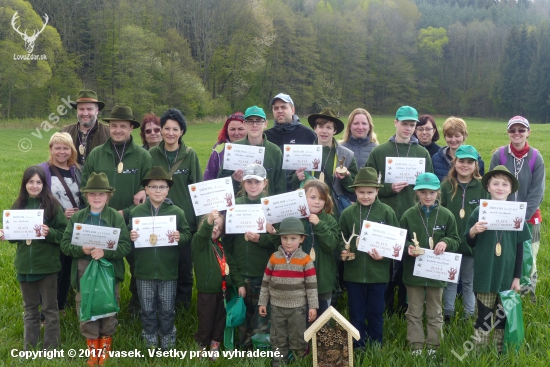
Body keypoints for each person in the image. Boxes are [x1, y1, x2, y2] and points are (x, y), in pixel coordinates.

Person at [81, 105, 153, 314]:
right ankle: (104, 303)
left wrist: (127, 211)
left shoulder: (143, 156)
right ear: (109, 127)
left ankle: (137, 306)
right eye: (114, 126)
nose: (118, 130)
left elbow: (149, 189)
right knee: (103, 263)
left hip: (133, 223)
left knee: (138, 266)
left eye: (123, 126)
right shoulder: (96, 154)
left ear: (131, 128)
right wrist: (101, 214)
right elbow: (85, 187)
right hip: (102, 223)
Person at [366, 105, 433, 315]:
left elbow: (430, 186)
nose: (408, 128)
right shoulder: (379, 151)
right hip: (387, 215)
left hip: (414, 217)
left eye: (412, 125)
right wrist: (387, 188)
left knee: (408, 264)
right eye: (404, 123)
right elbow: (366, 184)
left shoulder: (421, 153)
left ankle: (405, 309)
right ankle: (384, 308)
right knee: (386, 264)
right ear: (395, 122)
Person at [60, 172, 131, 366]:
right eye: (92, 194)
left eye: (101, 194)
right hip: (84, 269)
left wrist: (105, 253)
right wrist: (80, 249)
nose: (97, 198)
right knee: (86, 305)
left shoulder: (115, 217)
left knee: (108, 305)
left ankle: (105, 344)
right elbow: (65, 244)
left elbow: (125, 246)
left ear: (108, 196)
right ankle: (92, 347)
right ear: (86, 196)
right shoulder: (78, 218)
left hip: (108, 271)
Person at [0, 166, 66, 350]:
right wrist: (6, 234)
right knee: (30, 309)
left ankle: (51, 347)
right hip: (24, 266)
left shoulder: (53, 206)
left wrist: (49, 232)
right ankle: (29, 347)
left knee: (50, 310)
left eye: (39, 182)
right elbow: (14, 237)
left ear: (44, 184)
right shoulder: (17, 206)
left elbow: (63, 234)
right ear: (25, 184)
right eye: (31, 182)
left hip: (47, 267)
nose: (34, 185)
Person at [466, 166, 530, 352]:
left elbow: (520, 249)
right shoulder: (479, 211)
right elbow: (470, 242)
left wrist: (517, 278)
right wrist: (473, 231)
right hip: (485, 275)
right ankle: (479, 350)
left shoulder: (517, 214)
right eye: (495, 183)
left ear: (511, 189)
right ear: (488, 187)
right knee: (483, 316)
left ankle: (500, 350)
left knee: (502, 317)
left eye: (505, 184)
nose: (500, 187)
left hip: (507, 276)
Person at [128, 167, 192, 350]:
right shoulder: (137, 212)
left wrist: (180, 236)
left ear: (168, 189)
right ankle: (149, 339)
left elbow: (187, 234)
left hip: (168, 271)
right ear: (146, 189)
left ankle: (167, 340)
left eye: (162, 187)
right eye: (153, 186)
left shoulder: (177, 212)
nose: (157, 190)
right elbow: (127, 236)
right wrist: (130, 236)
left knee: (166, 308)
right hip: (144, 271)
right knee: (147, 308)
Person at [400, 173, 460, 356]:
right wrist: (409, 247)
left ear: (438, 193)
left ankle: (434, 345)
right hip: (414, 273)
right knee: (414, 311)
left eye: (432, 192)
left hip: (437, 273)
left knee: (435, 311)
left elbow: (457, 240)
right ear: (416, 193)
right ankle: (416, 345)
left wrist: (446, 242)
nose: (428, 196)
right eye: (423, 192)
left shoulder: (446, 215)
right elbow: (400, 240)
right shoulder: (409, 215)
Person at [148, 108, 202, 311]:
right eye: (166, 128)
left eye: (175, 129)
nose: (170, 133)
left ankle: (183, 307)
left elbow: (197, 187)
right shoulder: (152, 154)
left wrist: (198, 221)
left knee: (185, 266)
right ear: (161, 130)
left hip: (184, 219)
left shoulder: (190, 155)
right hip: (157, 219)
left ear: (182, 132)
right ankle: (160, 304)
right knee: (160, 264)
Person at [339, 167, 399, 348]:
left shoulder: (387, 212)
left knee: (375, 312)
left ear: (377, 191)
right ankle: (358, 344)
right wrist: (343, 251)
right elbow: (340, 238)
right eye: (361, 192)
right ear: (355, 191)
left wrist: (384, 257)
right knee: (356, 312)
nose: (366, 196)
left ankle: (375, 344)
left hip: (378, 274)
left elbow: (396, 244)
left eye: (370, 192)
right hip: (354, 274)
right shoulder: (348, 213)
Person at [489, 116, 544, 302]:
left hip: (530, 219)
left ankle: (528, 296)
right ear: (508, 133)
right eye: (513, 130)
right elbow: (491, 185)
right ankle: (504, 291)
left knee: (530, 258)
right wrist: (501, 215)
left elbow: (537, 192)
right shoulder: (500, 155)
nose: (517, 133)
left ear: (528, 132)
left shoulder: (536, 157)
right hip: (502, 218)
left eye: (521, 130)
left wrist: (521, 218)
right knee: (505, 255)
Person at [223, 164, 276, 348]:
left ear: (265, 183)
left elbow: (278, 242)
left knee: (263, 313)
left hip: (263, 274)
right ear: (243, 183)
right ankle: (243, 347)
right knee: (242, 313)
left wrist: (261, 239)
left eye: (257, 182)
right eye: (249, 182)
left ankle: (262, 346)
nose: (253, 186)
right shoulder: (234, 206)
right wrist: (236, 278)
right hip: (241, 274)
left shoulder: (270, 207)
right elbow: (227, 246)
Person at [258, 217, 318, 367]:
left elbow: (311, 285)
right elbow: (265, 282)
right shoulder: (274, 258)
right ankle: (278, 362)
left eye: (293, 238)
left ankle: (299, 361)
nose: (288, 242)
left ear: (302, 239)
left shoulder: (305, 259)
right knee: (278, 337)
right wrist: (262, 302)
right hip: (277, 306)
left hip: (298, 308)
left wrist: (313, 306)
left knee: (298, 337)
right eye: (284, 238)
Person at [38, 132, 84, 316]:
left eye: (66, 148)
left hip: (73, 229)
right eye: (57, 148)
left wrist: (80, 211)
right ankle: (46, 310)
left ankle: (61, 305)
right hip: (54, 227)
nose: (62, 152)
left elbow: (84, 197)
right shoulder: (42, 171)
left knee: (67, 268)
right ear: (51, 149)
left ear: (71, 150)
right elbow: (38, 200)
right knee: (52, 270)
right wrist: (59, 214)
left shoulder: (77, 171)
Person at [440, 145, 487, 322]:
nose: (465, 165)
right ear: (455, 162)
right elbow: (440, 213)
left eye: (470, 162)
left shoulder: (483, 187)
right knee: (450, 281)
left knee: (468, 283)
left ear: (476, 165)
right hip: (450, 244)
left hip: (472, 244)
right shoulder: (446, 186)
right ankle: (448, 314)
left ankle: (468, 315)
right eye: (461, 161)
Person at [192, 210, 246, 359]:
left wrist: (240, 284)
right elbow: (203, 234)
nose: (216, 228)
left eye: (220, 228)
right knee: (206, 321)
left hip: (223, 292)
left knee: (219, 320)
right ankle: (201, 344)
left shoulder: (221, 247)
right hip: (207, 292)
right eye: (214, 224)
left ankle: (215, 343)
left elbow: (232, 266)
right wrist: (210, 220)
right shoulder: (200, 243)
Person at [293, 107, 358, 217]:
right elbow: (292, 183)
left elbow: (354, 187)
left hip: (333, 209)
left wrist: (346, 178)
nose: (324, 131)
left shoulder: (347, 155)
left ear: (335, 130)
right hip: (308, 209)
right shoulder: (302, 153)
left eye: (328, 127)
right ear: (315, 128)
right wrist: (297, 177)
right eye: (321, 126)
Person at [218, 106, 286, 196]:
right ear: (244, 124)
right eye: (250, 121)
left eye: (258, 121)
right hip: (241, 206)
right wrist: (234, 179)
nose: (254, 125)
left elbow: (280, 186)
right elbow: (221, 182)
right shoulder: (234, 149)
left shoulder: (274, 151)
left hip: (266, 206)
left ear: (265, 124)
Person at [299, 179, 339, 316]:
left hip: (322, 281)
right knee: (301, 318)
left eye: (321, 198)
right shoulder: (296, 219)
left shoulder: (329, 220)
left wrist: (319, 225)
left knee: (322, 319)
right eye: (312, 197)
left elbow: (331, 245)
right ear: (302, 198)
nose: (317, 202)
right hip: (299, 281)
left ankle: (321, 338)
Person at [264, 93, 317, 190]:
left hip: (300, 191)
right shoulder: (267, 136)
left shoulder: (308, 134)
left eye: (283, 107)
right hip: (274, 192)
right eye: (276, 108)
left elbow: (317, 167)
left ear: (293, 110)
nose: (279, 111)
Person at [61, 90, 110, 167]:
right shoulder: (64, 133)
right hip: (71, 178)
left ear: (97, 111)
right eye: (81, 109)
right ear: (77, 110)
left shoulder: (109, 133)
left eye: (89, 109)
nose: (85, 113)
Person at [432, 117, 485, 182]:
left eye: (457, 136)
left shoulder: (476, 160)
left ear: (464, 136)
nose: (453, 140)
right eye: (449, 136)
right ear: (445, 137)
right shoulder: (436, 159)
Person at [203, 112, 246, 181]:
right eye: (232, 129)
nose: (236, 133)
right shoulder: (219, 149)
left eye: (240, 129)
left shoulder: (256, 148)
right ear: (227, 130)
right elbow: (209, 177)